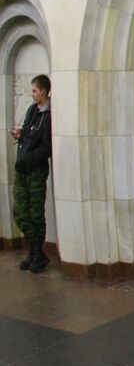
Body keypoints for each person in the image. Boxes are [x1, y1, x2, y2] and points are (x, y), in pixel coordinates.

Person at [11, 74, 53, 272]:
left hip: (36, 171)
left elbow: (46, 148)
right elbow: (28, 135)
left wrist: (27, 159)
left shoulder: (48, 115)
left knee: (36, 214)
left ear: (43, 91)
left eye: (35, 91)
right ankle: (36, 251)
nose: (32, 94)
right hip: (22, 170)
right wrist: (20, 134)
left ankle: (36, 253)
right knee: (20, 212)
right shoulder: (31, 110)